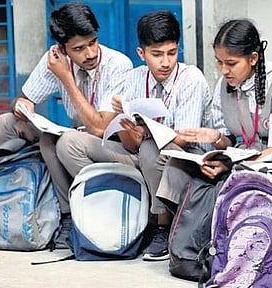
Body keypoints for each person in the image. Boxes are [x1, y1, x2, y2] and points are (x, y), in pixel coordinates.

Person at [0, 3, 133, 249]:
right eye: (79, 49)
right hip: (77, 140)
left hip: (116, 149)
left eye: (93, 42)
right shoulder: (56, 59)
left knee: (63, 142)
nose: (90, 53)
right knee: (7, 123)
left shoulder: (117, 64)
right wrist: (22, 106)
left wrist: (66, 78)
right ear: (62, 48)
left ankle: (71, 217)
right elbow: (25, 97)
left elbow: (100, 127)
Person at [100, 10, 211, 261]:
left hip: (189, 155)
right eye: (157, 54)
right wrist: (126, 123)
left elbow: (185, 137)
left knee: (152, 150)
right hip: (146, 153)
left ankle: (162, 226)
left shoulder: (190, 78)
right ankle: (128, 223)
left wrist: (147, 132)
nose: (166, 62)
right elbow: (132, 143)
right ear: (142, 54)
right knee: (78, 145)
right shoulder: (135, 79)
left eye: (172, 53)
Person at [154, 18, 272, 214]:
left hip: (268, 165)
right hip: (237, 158)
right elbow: (228, 140)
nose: (224, 70)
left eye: (231, 63)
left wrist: (231, 167)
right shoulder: (225, 83)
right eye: (219, 62)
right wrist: (217, 138)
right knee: (177, 166)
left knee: (215, 190)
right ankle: (167, 228)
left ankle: (202, 236)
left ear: (253, 58)